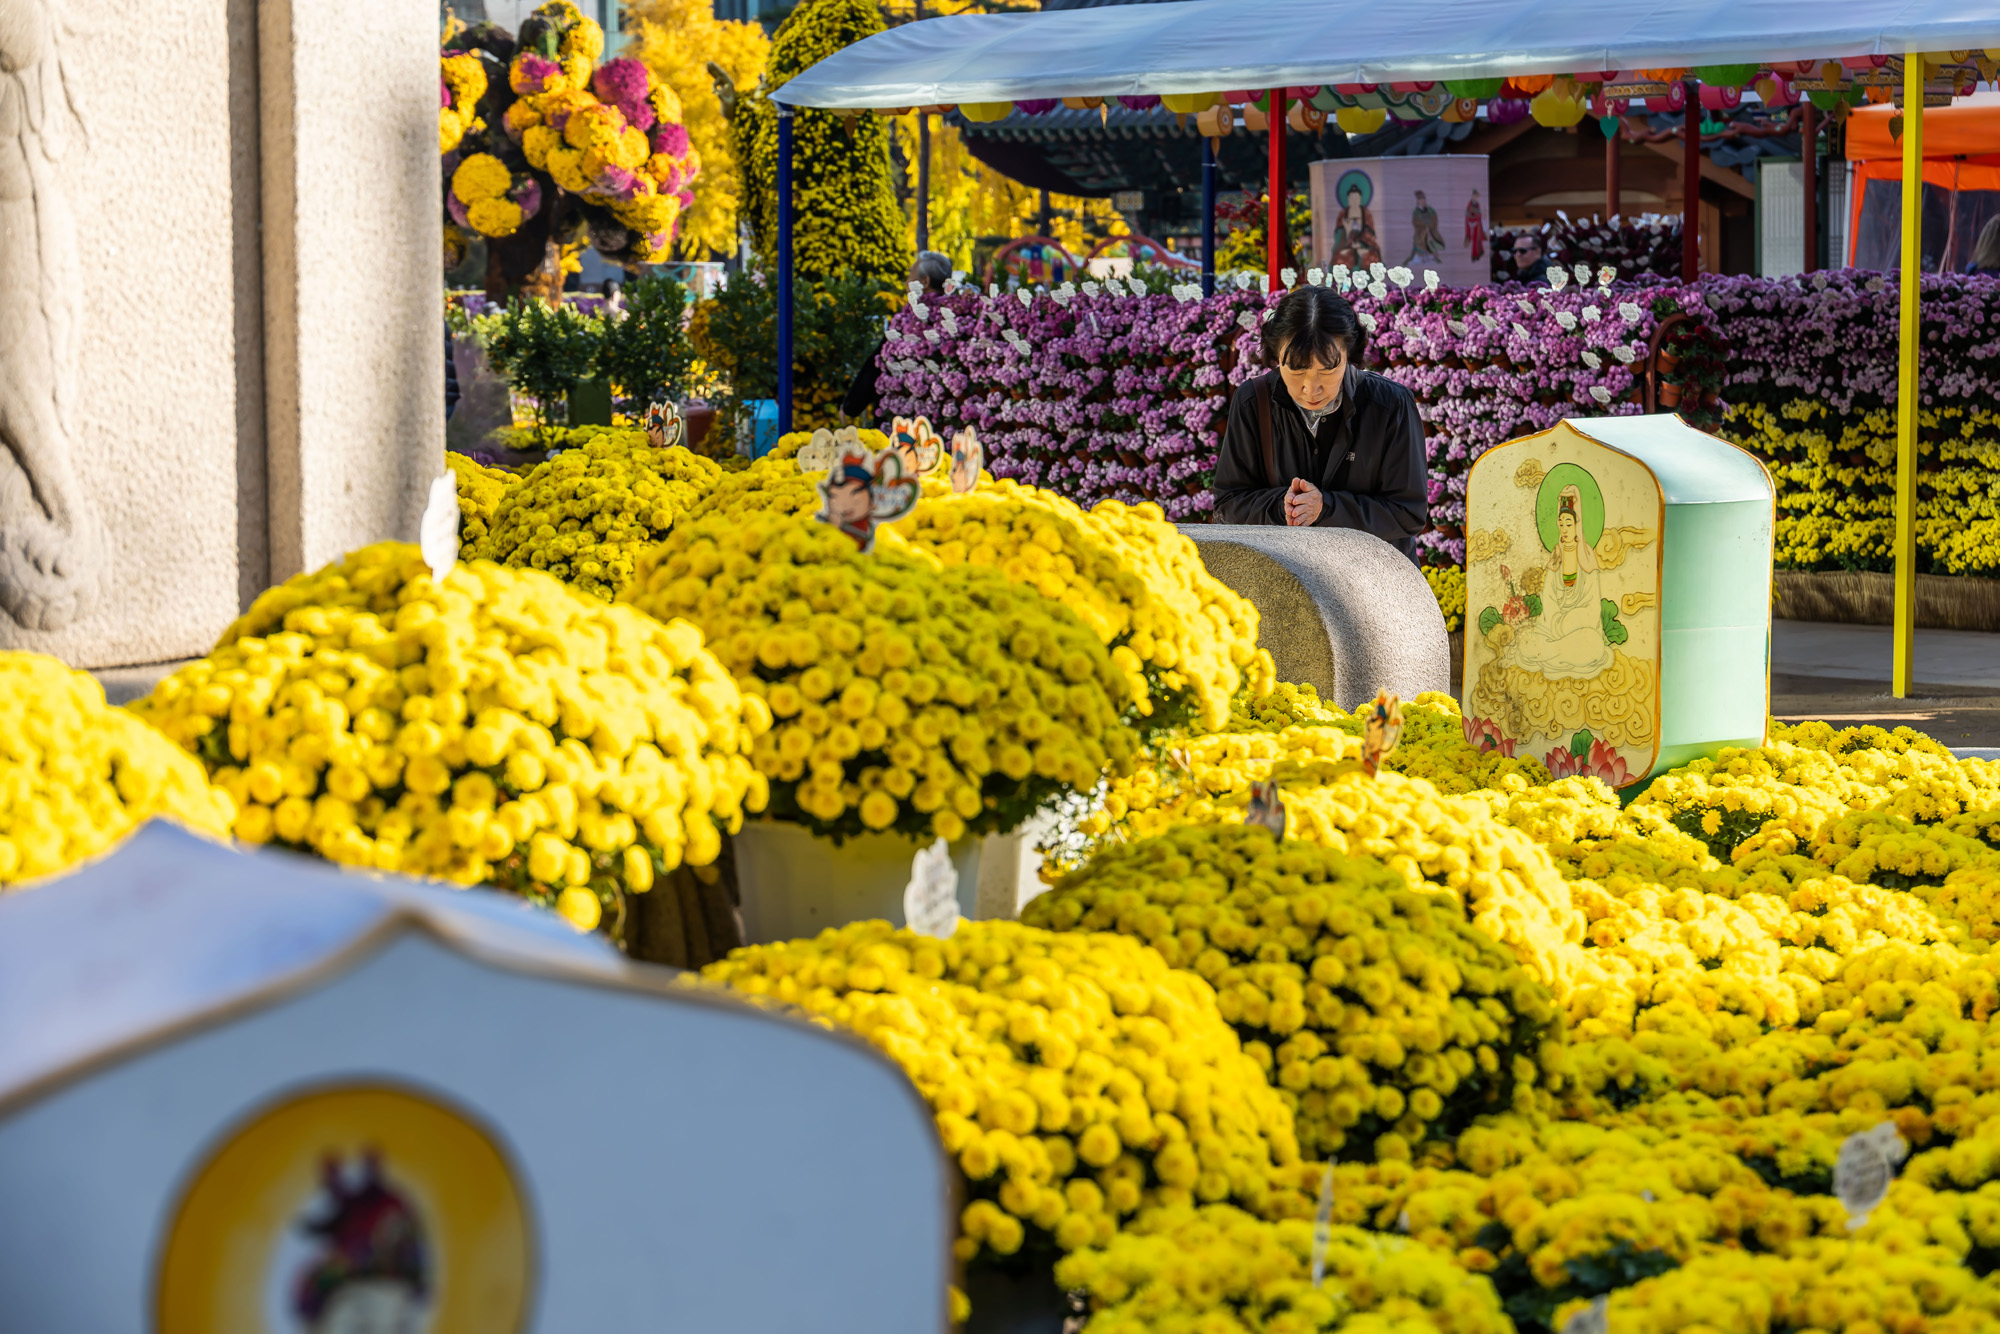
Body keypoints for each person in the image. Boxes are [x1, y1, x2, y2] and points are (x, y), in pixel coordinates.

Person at [1211, 285, 1428, 561]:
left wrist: (1326, 508)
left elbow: (1408, 513)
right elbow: (1228, 503)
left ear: (1350, 354)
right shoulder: (1253, 402)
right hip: (1285, 576)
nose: (1311, 388)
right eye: (1296, 370)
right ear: (1276, 356)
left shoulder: (1391, 404)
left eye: (1327, 370)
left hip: (1375, 578)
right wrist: (1282, 506)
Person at [841, 251, 952, 419]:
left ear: (925, 281)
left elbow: (877, 365)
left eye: (910, 276)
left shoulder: (909, 321)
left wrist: (851, 406)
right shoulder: (956, 315)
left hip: (903, 419)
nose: (906, 282)